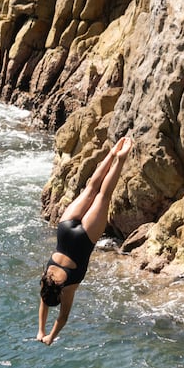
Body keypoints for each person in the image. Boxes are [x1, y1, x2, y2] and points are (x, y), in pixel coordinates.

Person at [37, 136, 133, 345]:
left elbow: (63, 318)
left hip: (84, 238)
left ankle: (121, 159)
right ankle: (112, 153)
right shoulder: (47, 277)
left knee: (103, 196)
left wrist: (50, 337)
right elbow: (44, 302)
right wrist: (40, 330)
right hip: (65, 228)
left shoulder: (67, 287)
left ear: (59, 294)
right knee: (91, 188)